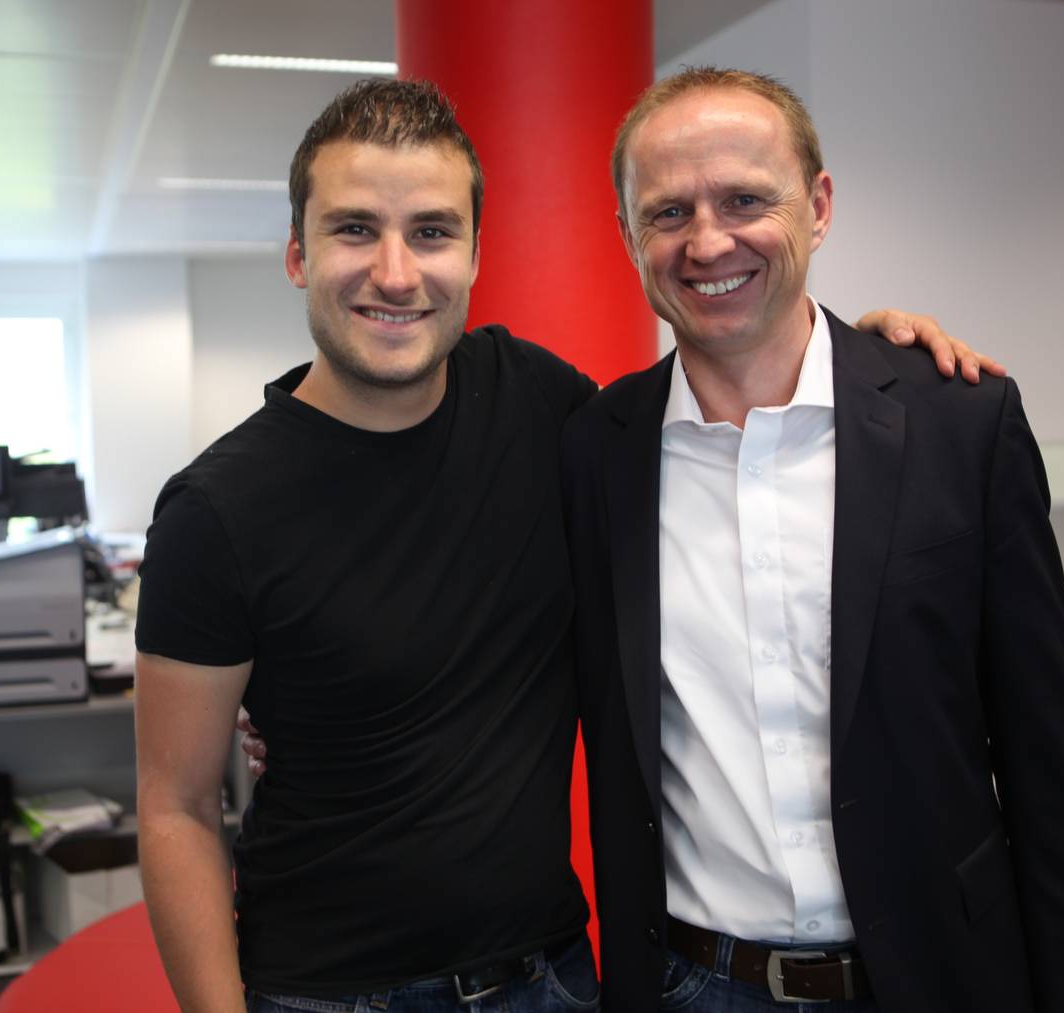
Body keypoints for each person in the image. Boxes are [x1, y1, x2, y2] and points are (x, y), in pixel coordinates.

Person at [134, 78, 995, 1013]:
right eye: (353, 230)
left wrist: (873, 354)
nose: (394, 271)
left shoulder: (546, 410)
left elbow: (719, 410)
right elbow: (175, 807)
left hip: (550, 977)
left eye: (430, 231)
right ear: (298, 254)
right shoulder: (216, 511)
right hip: (329, 991)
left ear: (472, 253)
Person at [561, 68, 1064, 1011]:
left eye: (746, 199)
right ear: (627, 235)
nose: (708, 241)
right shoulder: (591, 454)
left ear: (817, 206)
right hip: (697, 983)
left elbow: (1048, 766)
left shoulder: (961, 423)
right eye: (667, 212)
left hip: (941, 974)